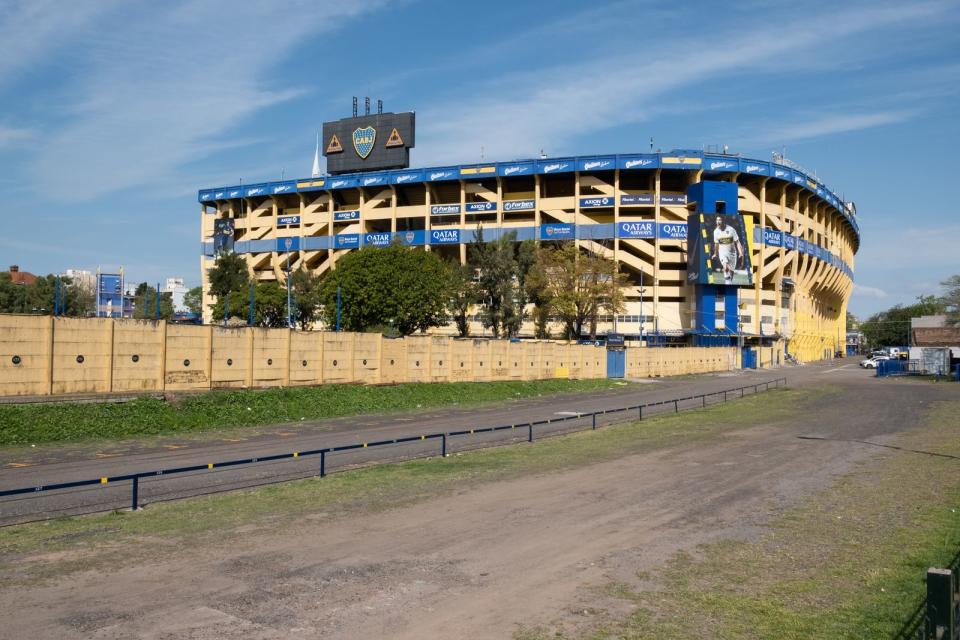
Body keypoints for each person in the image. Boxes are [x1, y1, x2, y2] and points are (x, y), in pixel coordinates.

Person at [712, 216, 744, 284]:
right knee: (725, 267)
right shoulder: (715, 232)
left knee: (731, 275)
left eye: (720, 220)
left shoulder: (731, 230)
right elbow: (716, 244)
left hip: (732, 254)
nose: (718, 222)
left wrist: (740, 253)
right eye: (717, 220)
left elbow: (737, 242)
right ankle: (727, 282)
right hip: (722, 253)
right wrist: (715, 253)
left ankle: (728, 283)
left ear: (724, 221)